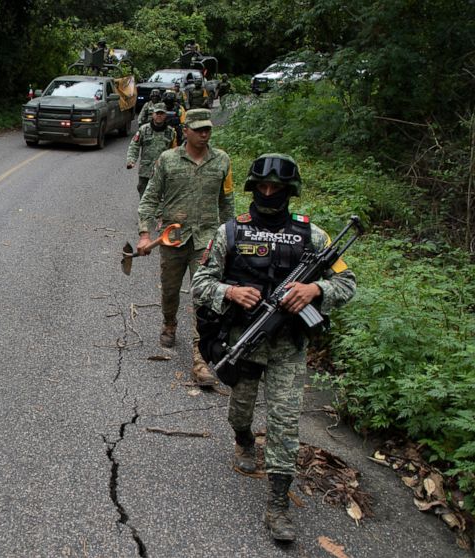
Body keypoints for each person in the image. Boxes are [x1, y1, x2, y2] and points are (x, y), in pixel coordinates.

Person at [191, 153, 356, 541]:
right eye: (262, 187)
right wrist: (229, 290)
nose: (268, 194)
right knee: (240, 414)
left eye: (276, 189)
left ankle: (278, 505)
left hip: (288, 348)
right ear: (252, 189)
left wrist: (315, 289)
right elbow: (200, 283)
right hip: (244, 343)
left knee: (284, 424)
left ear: (289, 192)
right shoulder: (229, 233)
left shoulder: (313, 236)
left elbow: (347, 285)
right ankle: (244, 440)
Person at [137, 108, 233, 386]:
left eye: (208, 129)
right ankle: (169, 322)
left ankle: (200, 359)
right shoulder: (167, 160)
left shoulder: (222, 160)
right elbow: (150, 198)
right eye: (199, 129)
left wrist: (232, 239)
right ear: (185, 131)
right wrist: (145, 233)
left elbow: (227, 203)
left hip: (207, 240)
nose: (204, 134)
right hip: (173, 237)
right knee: (170, 289)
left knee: (203, 296)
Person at [126, 108, 177, 199]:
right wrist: (131, 160)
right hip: (146, 169)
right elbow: (134, 145)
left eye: (162, 113)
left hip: (163, 169)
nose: (159, 115)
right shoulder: (143, 130)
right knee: (143, 191)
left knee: (162, 194)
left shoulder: (171, 132)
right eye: (157, 113)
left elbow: (175, 151)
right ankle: (145, 211)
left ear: (165, 115)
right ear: (153, 114)